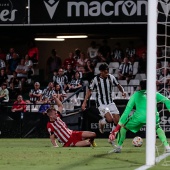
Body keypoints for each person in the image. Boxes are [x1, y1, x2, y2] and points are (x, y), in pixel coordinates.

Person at [109, 80, 170, 153]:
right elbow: (166, 100)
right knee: (157, 127)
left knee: (123, 128)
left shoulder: (135, 95)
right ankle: (167, 147)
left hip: (139, 117)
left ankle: (118, 147)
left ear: (140, 87)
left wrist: (117, 128)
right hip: (153, 115)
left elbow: (127, 111)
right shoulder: (154, 93)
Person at [82, 63, 126, 133]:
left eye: (107, 71)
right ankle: (101, 122)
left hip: (110, 102)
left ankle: (112, 137)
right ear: (101, 71)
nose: (107, 73)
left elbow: (118, 85)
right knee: (110, 119)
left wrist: (123, 91)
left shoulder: (111, 77)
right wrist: (84, 102)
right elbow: (89, 91)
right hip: (101, 103)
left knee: (117, 121)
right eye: (105, 72)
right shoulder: (95, 79)